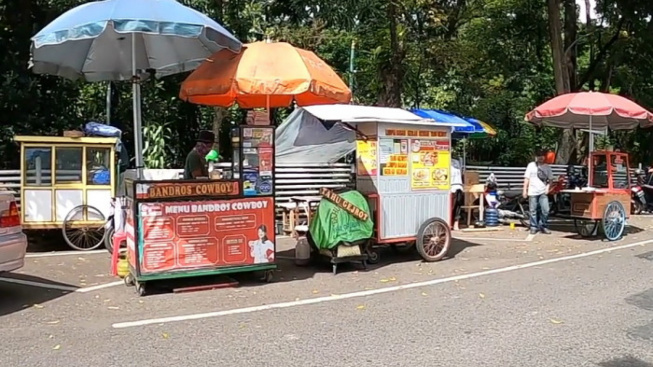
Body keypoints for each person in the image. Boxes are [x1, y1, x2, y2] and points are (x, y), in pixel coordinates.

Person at [523, 150, 553, 234]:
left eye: (542, 156)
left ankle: (543, 225)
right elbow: (526, 178)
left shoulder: (547, 167)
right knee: (533, 210)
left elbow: (551, 179)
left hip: (543, 191)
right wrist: (524, 190)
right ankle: (533, 226)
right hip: (532, 191)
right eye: (539, 156)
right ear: (536, 157)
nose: (540, 157)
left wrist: (547, 188)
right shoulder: (531, 165)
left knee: (545, 210)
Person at [450, 157, 464, 231]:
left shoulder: (457, 161)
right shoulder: (443, 160)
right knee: (452, 206)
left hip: (457, 185)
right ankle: (451, 223)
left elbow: (461, 173)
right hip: (451, 186)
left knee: (457, 206)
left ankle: (455, 223)